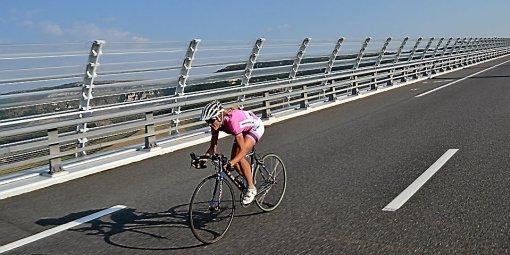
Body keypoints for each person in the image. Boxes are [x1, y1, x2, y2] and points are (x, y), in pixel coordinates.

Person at [199, 100, 265, 205]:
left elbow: (243, 151)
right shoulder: (216, 125)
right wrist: (204, 158)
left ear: (219, 117)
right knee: (235, 159)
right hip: (241, 130)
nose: (210, 124)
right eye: (207, 122)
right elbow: (212, 147)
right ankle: (249, 179)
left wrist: (232, 162)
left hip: (255, 128)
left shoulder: (232, 122)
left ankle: (251, 188)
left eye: (211, 121)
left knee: (239, 157)